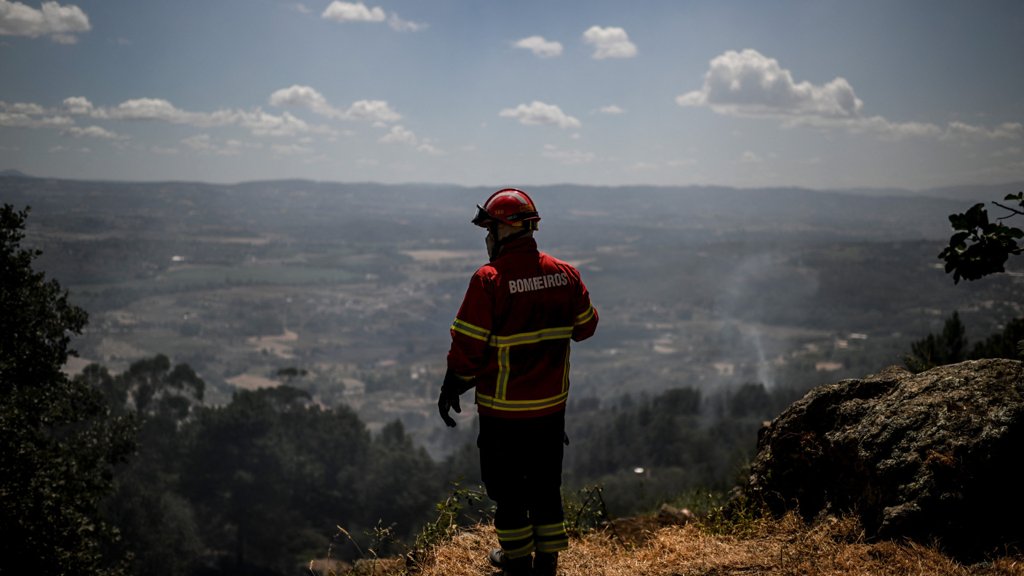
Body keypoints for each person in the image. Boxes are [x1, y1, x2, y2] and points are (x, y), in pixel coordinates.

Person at [438, 188, 599, 576]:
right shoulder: (565, 274)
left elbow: (468, 347)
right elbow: (586, 327)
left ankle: (516, 561)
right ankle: (548, 563)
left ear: (505, 230)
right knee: (546, 489)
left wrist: (452, 384)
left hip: (503, 414)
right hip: (550, 410)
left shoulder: (489, 279)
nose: (487, 238)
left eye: (489, 229)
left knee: (508, 493)